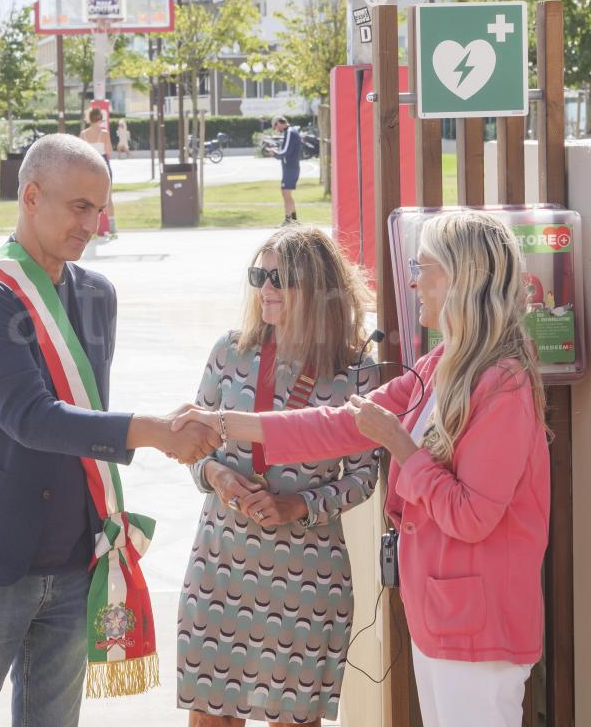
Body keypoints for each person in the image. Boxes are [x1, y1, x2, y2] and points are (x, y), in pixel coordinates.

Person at [173, 211, 551, 727]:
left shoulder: (503, 381)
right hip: (444, 615)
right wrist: (221, 422)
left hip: (478, 624)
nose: (414, 281)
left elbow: (471, 516)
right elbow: (337, 425)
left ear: (465, 278)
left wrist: (397, 443)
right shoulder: (442, 364)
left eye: (426, 269)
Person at [0, 134, 219, 727]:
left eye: (101, 208)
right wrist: (154, 431)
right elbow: (29, 418)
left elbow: (84, 416)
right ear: (31, 196)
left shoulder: (98, 295)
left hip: (72, 557)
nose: (95, 224)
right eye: (80, 207)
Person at [177, 224, 380, 726]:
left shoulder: (356, 371)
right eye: (259, 275)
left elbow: (362, 476)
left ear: (318, 286)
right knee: (210, 717)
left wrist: (298, 506)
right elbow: (194, 449)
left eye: (279, 277)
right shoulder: (230, 352)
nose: (265, 287)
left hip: (306, 576)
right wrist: (219, 479)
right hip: (221, 565)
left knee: (296, 719)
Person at [80, 107, 117, 238]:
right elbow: (109, 151)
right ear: (100, 118)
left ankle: (89, 228)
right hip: (103, 165)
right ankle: (112, 227)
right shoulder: (104, 133)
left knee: (88, 199)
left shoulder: (83, 134)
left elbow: (81, 154)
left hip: (89, 166)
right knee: (108, 197)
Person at [265, 116, 301, 224]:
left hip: (290, 168)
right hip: (291, 167)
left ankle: (288, 220)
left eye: (275, 126)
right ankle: (294, 220)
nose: (276, 130)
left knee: (285, 193)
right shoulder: (290, 131)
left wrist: (274, 153)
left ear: (279, 123)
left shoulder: (289, 132)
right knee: (287, 194)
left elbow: (285, 151)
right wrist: (277, 150)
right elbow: (287, 149)